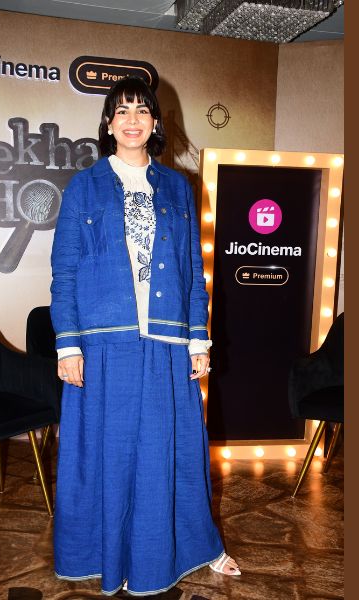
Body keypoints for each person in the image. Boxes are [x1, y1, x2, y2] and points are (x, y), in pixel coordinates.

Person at [50, 76, 240, 596]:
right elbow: (64, 272)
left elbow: (192, 271)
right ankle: (103, 555)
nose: (132, 119)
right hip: (104, 343)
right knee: (107, 453)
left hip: (165, 342)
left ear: (155, 123)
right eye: (122, 111)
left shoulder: (178, 188)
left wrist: (198, 340)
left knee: (170, 451)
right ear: (108, 124)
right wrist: (68, 343)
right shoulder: (84, 187)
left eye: (141, 110)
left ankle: (192, 548)